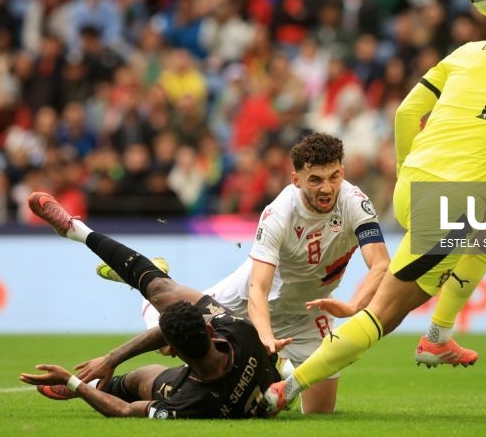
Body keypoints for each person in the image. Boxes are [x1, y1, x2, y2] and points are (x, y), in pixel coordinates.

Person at [263, 0, 486, 414]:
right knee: (384, 314)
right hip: (449, 210)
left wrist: (405, 172)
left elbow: (407, 112)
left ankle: (438, 338)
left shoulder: (471, 51)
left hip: (415, 185)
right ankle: (288, 386)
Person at [95, 132, 391, 413]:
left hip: (309, 311)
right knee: (170, 343)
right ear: (296, 179)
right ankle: (149, 299)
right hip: (243, 301)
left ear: (342, 170)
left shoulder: (355, 203)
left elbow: (380, 263)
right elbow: (258, 289)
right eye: (315, 179)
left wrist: (353, 306)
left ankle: (284, 369)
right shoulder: (279, 214)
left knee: (321, 410)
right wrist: (265, 339)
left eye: (334, 177)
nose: (327, 188)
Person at [18, 192, 283, 419]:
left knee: (137, 380)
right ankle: (76, 231)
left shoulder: (190, 400)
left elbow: (124, 410)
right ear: (210, 331)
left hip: (209, 383)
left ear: (171, 351)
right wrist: (111, 359)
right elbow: (170, 331)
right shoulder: (243, 335)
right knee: (161, 289)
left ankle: (95, 382)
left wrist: (74, 382)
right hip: (244, 368)